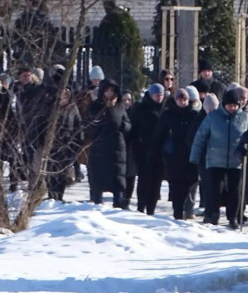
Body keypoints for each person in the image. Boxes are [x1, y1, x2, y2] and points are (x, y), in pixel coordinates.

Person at [189, 87, 248, 228]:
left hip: (236, 162)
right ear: (224, 104)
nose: (232, 108)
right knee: (215, 190)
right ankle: (213, 214)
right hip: (215, 160)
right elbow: (200, 137)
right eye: (230, 105)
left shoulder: (245, 118)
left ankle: (233, 217)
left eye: (235, 105)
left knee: (235, 191)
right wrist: (195, 156)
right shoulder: (213, 117)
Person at [153, 88, 205, 220]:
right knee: (176, 187)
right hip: (173, 157)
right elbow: (159, 134)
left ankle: (188, 210)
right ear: (175, 100)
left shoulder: (194, 115)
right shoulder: (168, 115)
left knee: (191, 185)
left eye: (185, 99)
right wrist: (162, 152)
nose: (182, 102)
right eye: (180, 99)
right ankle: (177, 213)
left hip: (190, 156)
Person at [83, 79, 131, 207]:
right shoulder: (95, 107)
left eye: (112, 91)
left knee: (118, 180)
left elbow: (127, 123)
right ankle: (97, 203)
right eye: (107, 90)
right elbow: (88, 125)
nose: (109, 93)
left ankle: (119, 204)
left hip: (117, 149)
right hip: (100, 148)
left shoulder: (119, 106)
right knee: (98, 180)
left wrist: (123, 126)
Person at [129, 84, 166, 215]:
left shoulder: (165, 109)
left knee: (156, 182)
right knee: (144, 180)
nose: (159, 97)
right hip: (143, 150)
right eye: (157, 95)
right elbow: (133, 129)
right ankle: (141, 206)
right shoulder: (141, 109)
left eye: (161, 95)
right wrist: (135, 145)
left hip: (160, 151)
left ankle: (151, 209)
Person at [46, 87, 83, 201]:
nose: (64, 98)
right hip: (52, 145)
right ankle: (51, 195)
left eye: (66, 95)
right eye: (62, 95)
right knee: (50, 171)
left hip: (67, 145)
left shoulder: (73, 108)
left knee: (62, 172)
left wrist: (77, 142)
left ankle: (59, 195)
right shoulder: (51, 107)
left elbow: (78, 126)